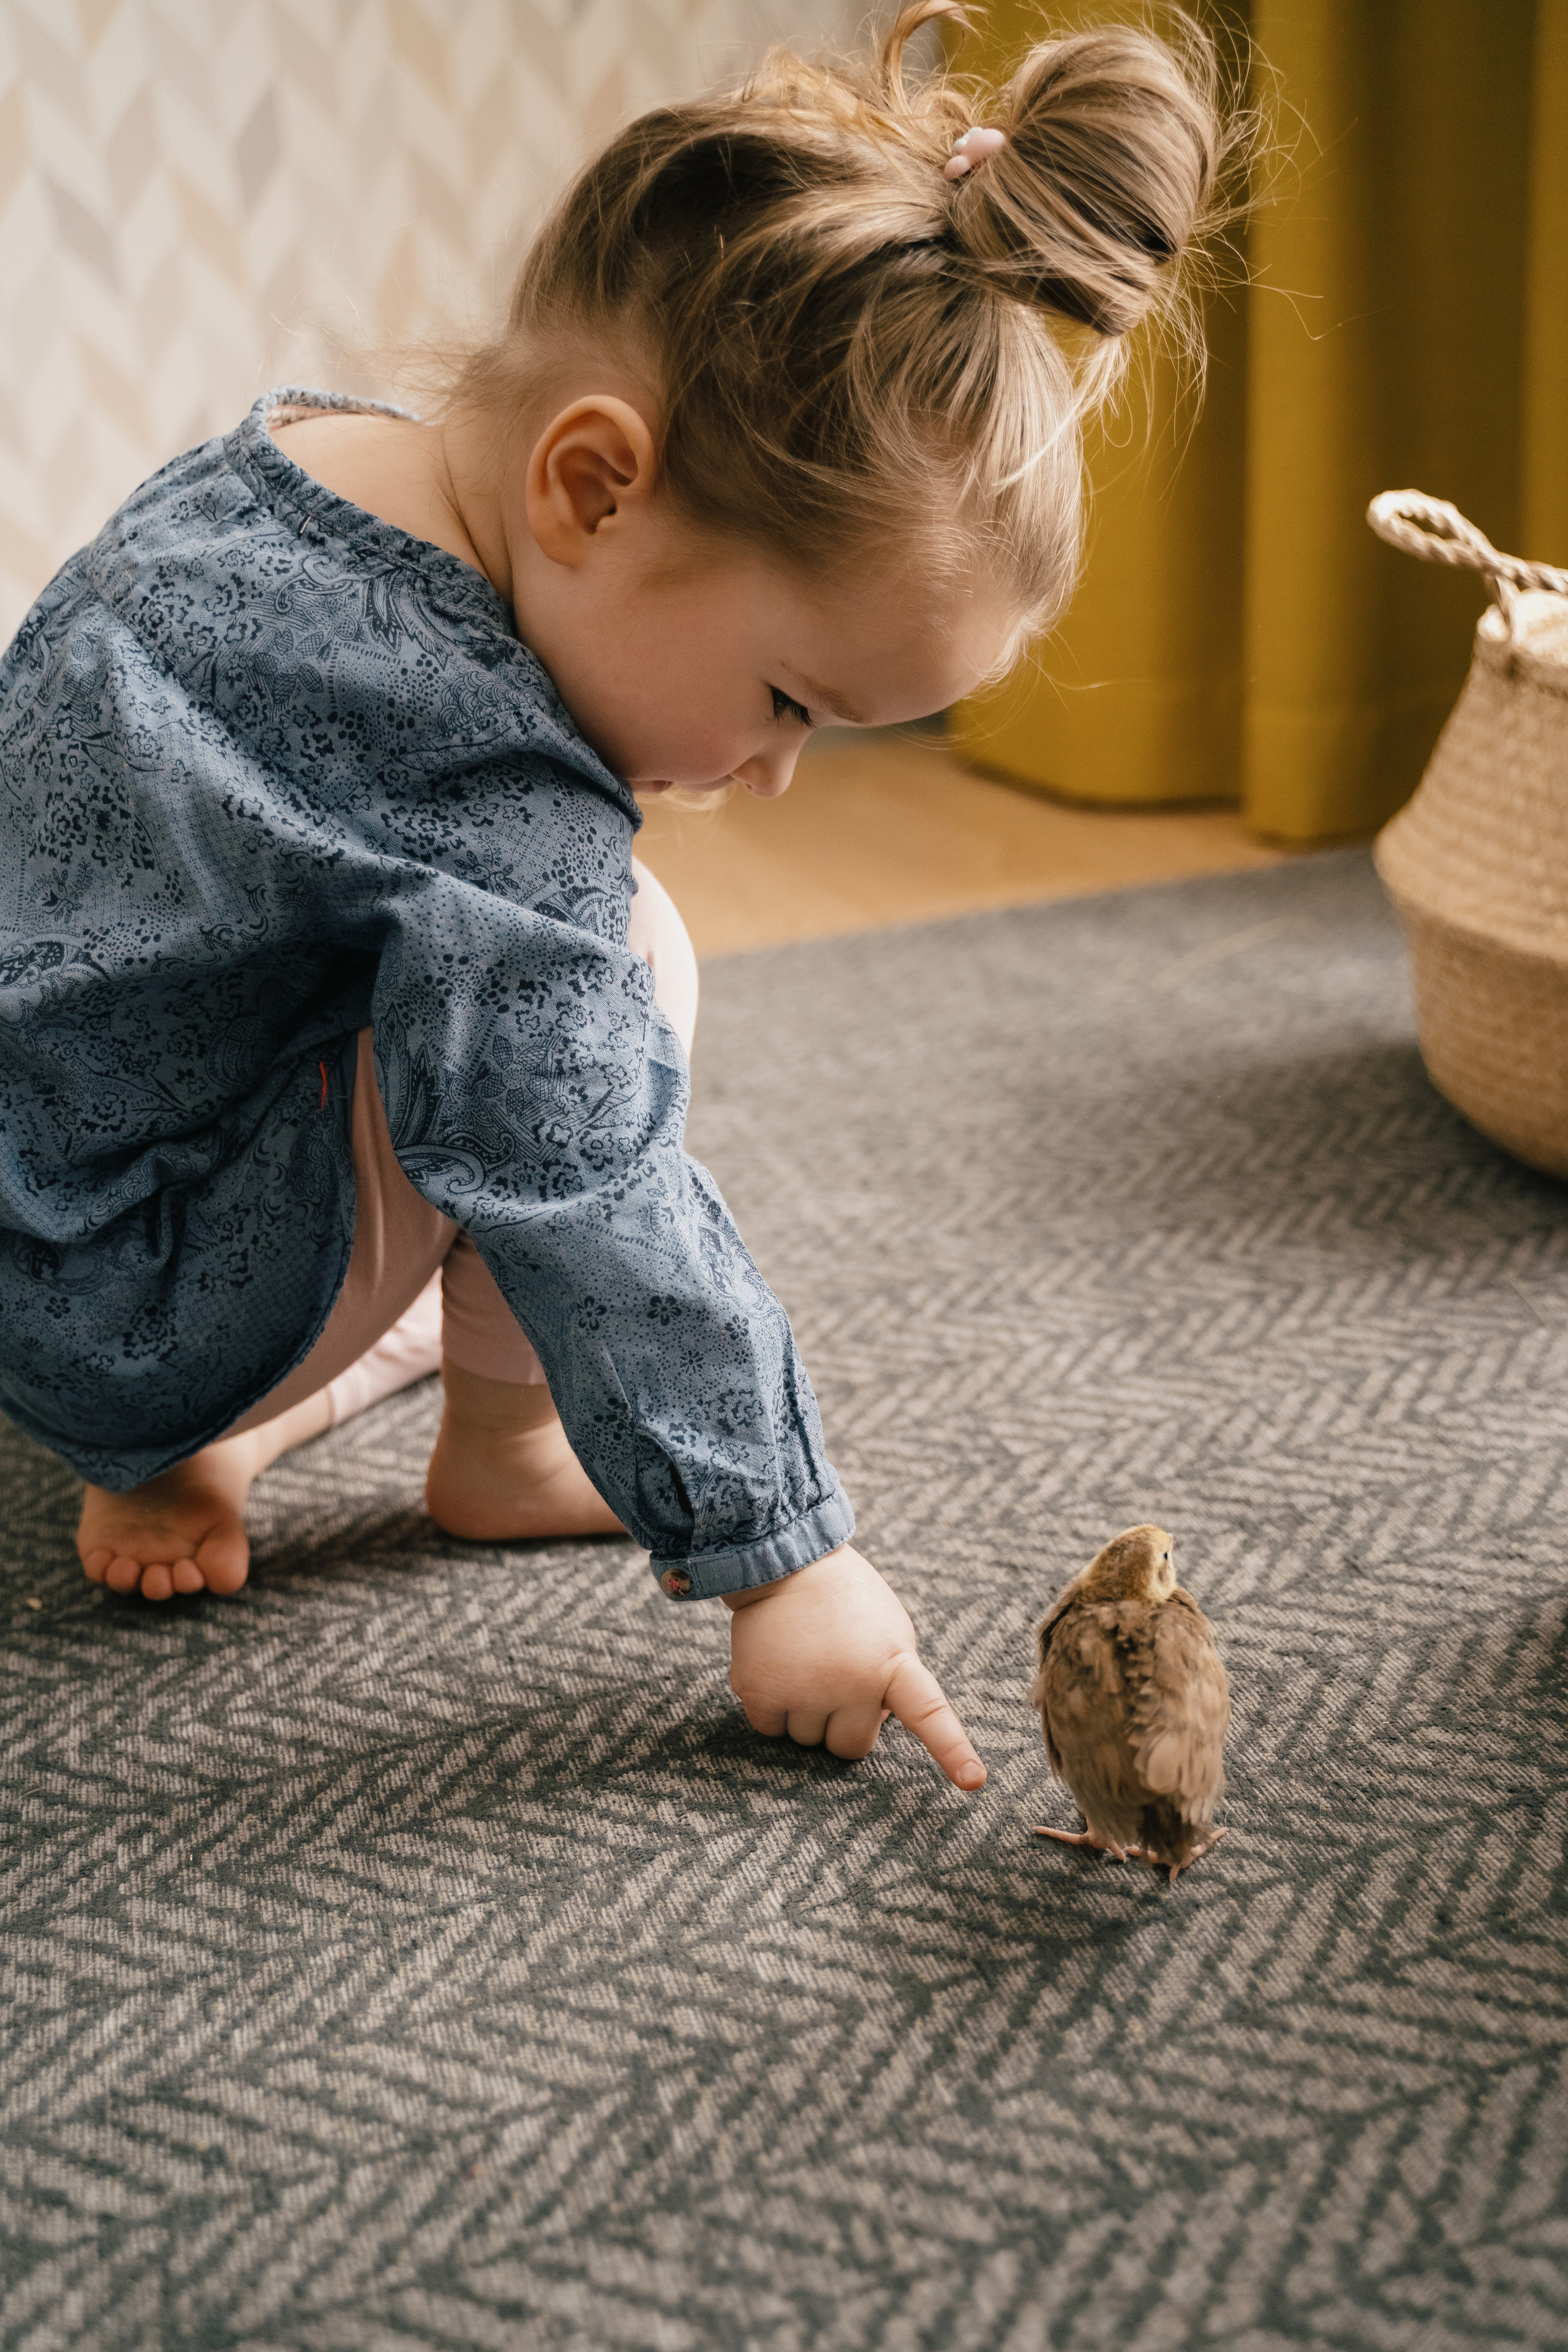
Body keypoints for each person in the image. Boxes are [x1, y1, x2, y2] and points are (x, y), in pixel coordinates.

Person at [0, 2, 1231, 1789]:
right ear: (593, 486)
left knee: (466, 996)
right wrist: (784, 1552)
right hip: (130, 1305)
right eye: (791, 700)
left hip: (52, 1219)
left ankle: (210, 1429)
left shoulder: (272, 471)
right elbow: (585, 1168)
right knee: (608, 974)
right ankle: (494, 1451)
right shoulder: (488, 785)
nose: (773, 775)